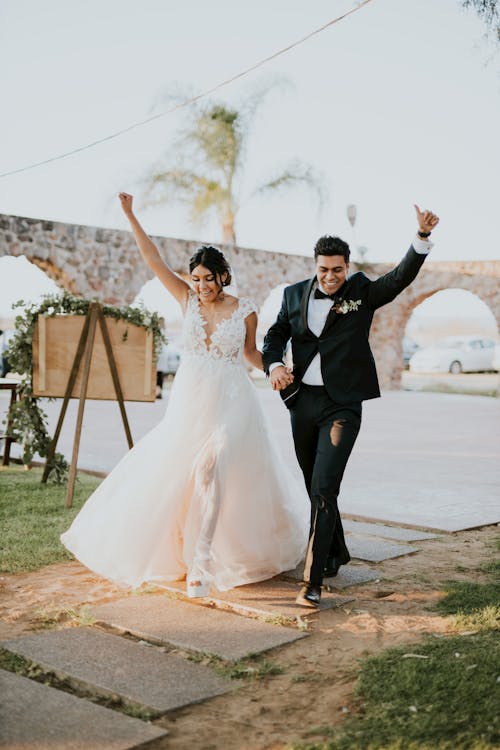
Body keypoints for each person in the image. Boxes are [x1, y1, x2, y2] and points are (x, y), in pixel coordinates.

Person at [61, 193, 308, 597]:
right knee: (182, 474)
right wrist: (130, 215)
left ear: (222, 276)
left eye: (209, 278)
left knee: (211, 468)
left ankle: (201, 564)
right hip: (191, 401)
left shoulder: (244, 309)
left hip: (231, 401)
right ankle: (179, 548)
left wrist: (274, 367)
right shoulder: (186, 299)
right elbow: (153, 258)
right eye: (196, 278)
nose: (202, 285)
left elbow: (249, 352)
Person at [262, 205, 440, 608]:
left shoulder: (360, 291)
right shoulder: (293, 295)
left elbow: (398, 278)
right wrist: (273, 364)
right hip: (302, 404)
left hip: (343, 407)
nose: (330, 277)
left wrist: (421, 238)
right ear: (316, 267)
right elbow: (274, 335)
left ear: (346, 266)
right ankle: (335, 553)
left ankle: (312, 581)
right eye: (324, 270)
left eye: (337, 270)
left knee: (325, 487)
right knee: (314, 486)